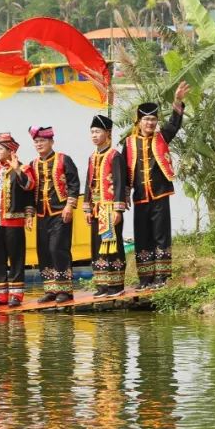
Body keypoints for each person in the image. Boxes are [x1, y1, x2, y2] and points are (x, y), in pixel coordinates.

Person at [126, 82, 189, 287]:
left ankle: (162, 277)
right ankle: (145, 278)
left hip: (160, 194)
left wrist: (178, 101)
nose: (150, 123)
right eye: (146, 119)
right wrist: (124, 194)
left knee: (161, 235)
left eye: (153, 119)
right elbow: (122, 171)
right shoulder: (128, 143)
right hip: (141, 196)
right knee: (142, 236)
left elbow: (175, 122)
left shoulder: (162, 137)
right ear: (139, 121)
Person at [0, 132, 35, 307]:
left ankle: (16, 296)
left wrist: (17, 169)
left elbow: (29, 186)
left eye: (0, 148)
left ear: (10, 150)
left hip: (13, 219)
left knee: (16, 256)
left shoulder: (23, 168)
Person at [26, 126, 81, 303]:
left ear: (51, 142)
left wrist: (69, 206)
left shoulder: (64, 159)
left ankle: (65, 290)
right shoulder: (33, 164)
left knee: (58, 248)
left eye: (42, 141)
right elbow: (29, 191)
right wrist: (29, 214)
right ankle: (50, 289)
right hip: (42, 213)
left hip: (60, 211)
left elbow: (74, 184)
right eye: (36, 142)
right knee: (44, 251)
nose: (39, 144)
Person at [84, 114, 129, 297]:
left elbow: (119, 183)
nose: (94, 135)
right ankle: (102, 285)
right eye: (92, 132)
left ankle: (116, 285)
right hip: (96, 209)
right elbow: (88, 183)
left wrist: (118, 209)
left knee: (112, 245)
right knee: (97, 246)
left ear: (107, 133)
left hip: (110, 208)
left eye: (98, 131)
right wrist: (87, 208)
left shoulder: (115, 156)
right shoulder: (92, 157)